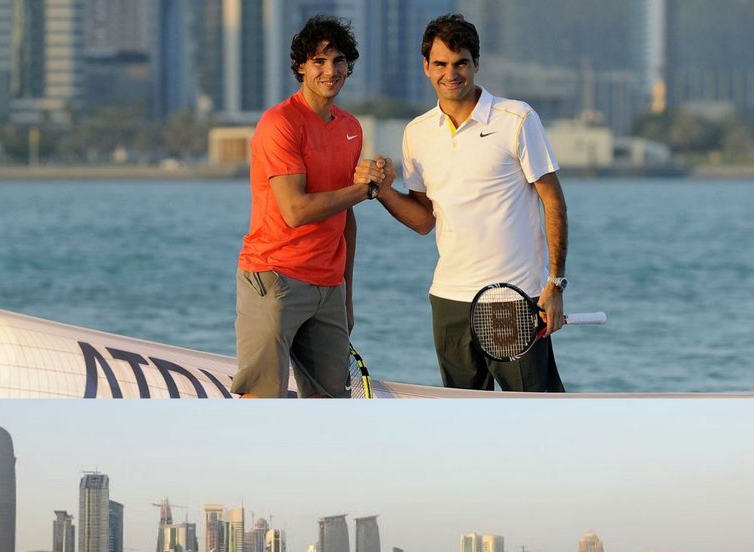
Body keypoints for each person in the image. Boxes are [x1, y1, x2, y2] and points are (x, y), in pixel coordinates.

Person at [372, 12, 569, 393]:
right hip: (448, 301)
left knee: (533, 418)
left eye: (461, 62)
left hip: (512, 300)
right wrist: (382, 192)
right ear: (426, 67)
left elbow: (553, 201)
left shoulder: (517, 118)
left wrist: (555, 285)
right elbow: (424, 220)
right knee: (462, 421)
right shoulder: (417, 133)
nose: (452, 73)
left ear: (476, 64)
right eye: (441, 64)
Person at [231, 14, 386, 398]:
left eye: (338, 61)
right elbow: (295, 211)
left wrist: (346, 295)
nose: (330, 71)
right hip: (274, 278)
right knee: (262, 402)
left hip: (329, 288)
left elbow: (345, 218)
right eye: (319, 61)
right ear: (301, 67)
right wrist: (367, 189)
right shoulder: (279, 123)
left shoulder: (351, 127)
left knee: (330, 408)